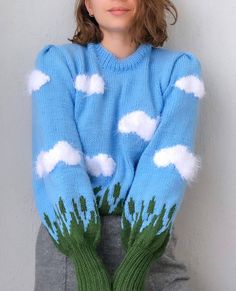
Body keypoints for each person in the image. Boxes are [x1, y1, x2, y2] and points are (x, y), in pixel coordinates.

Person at [28, 0, 206, 290]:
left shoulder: (179, 71)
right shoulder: (57, 64)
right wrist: (82, 255)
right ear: (88, 5)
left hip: (147, 248)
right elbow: (58, 158)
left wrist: (138, 259)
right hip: (70, 248)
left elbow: (167, 167)